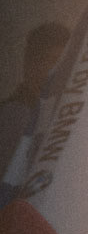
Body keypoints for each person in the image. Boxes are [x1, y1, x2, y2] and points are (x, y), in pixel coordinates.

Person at [0, 19, 70, 184]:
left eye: (58, 64)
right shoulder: (12, 117)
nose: (48, 71)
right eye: (45, 60)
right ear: (28, 63)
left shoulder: (63, 123)